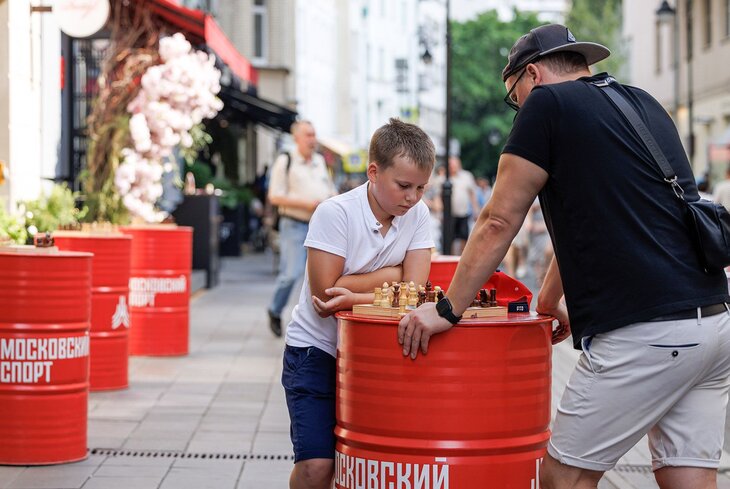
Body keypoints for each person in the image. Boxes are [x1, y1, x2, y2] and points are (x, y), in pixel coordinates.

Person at [398, 24, 730, 489]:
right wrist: (550, 299)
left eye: (514, 97)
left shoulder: (547, 106)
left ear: (531, 74)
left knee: (562, 478)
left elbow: (498, 220)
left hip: (646, 331)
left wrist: (448, 310)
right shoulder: (642, 103)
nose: (518, 109)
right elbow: (589, 225)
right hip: (712, 323)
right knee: (687, 477)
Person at [282, 118, 435, 489]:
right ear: (373, 172)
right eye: (403, 186)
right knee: (317, 468)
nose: (412, 197)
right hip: (315, 352)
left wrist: (355, 293)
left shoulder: (418, 215)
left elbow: (415, 292)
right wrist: (395, 273)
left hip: (374, 356)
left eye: (420, 188)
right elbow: (324, 299)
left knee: (369, 463)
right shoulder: (335, 213)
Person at [267, 121, 336, 337]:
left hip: (319, 225)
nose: (312, 139)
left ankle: (313, 320)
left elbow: (329, 190)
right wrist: (306, 204)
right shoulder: (286, 160)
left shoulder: (319, 161)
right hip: (294, 223)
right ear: (296, 137)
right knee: (291, 273)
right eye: (308, 135)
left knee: (321, 276)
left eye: (314, 134)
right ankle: (275, 310)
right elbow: (274, 196)